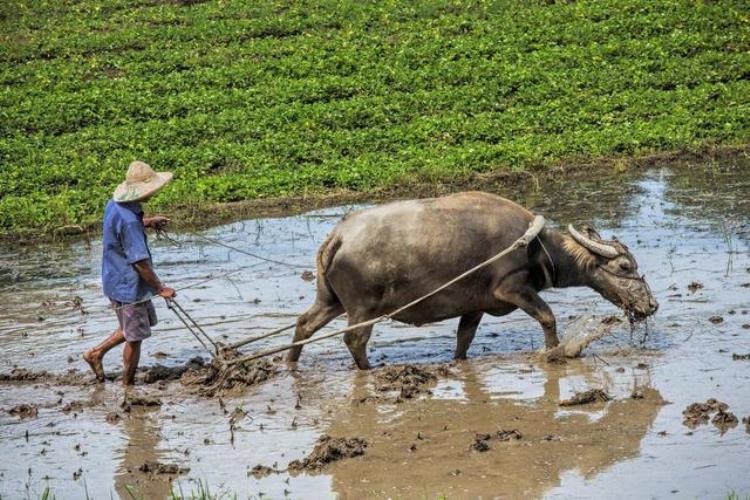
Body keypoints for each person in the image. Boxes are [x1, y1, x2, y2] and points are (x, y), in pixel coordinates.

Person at [83, 161, 176, 386]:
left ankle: (96, 353)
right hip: (129, 286)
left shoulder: (115, 205)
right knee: (135, 338)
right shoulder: (130, 223)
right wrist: (160, 288)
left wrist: (148, 222)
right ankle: (128, 386)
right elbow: (141, 263)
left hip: (114, 279)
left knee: (131, 328)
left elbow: (122, 226)